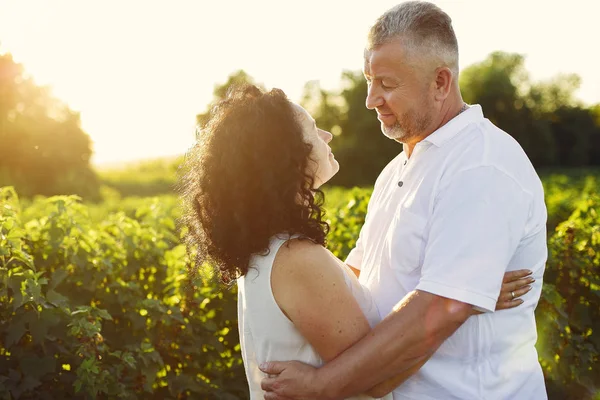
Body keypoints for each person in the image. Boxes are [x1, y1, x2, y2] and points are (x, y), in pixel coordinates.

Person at [259, 2, 548, 400]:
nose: (370, 99)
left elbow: (436, 310)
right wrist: (464, 289)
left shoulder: (481, 166)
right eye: (368, 81)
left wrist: (322, 385)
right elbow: (359, 282)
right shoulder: (395, 170)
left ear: (441, 82)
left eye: (387, 84)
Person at [179, 84, 534, 399]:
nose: (327, 135)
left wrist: (455, 283)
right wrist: (463, 297)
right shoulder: (297, 258)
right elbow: (379, 379)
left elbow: (353, 291)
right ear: (284, 154)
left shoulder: (271, 249)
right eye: (311, 129)